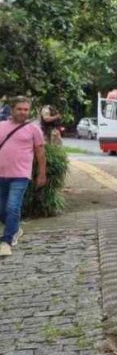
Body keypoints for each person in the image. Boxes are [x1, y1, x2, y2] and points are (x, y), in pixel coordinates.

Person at [0, 96, 47, 257]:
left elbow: (40, 153)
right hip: (1, 174)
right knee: (1, 209)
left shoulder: (34, 129)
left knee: (12, 207)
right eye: (19, 109)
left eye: (26, 109)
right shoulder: (1, 126)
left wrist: (42, 173)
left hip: (20, 175)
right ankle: (15, 229)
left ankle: (6, 241)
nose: (22, 112)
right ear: (12, 109)